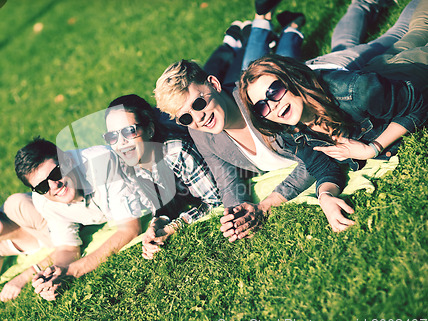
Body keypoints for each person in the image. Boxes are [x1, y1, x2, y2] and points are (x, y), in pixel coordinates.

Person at [154, 0, 419, 234]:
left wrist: (270, 202)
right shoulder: (201, 133)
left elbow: (316, 156)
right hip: (321, 78)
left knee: (394, 39)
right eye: (185, 118)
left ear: (213, 83)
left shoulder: (263, 106)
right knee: (347, 43)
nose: (198, 118)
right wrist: (237, 214)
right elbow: (227, 179)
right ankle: (362, 4)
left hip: (323, 78)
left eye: (198, 103)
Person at [14, 138, 143, 300]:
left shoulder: (103, 163)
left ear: (67, 161)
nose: (54, 186)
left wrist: (73, 271)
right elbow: (68, 247)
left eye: (56, 173)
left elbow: (130, 229)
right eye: (42, 187)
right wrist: (56, 272)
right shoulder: (43, 199)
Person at [104, 94, 222, 259]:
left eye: (129, 131)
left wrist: (173, 227)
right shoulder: (127, 165)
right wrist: (156, 225)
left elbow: (215, 201)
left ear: (150, 130)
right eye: (112, 136)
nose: (121, 142)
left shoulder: (176, 152)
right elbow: (162, 204)